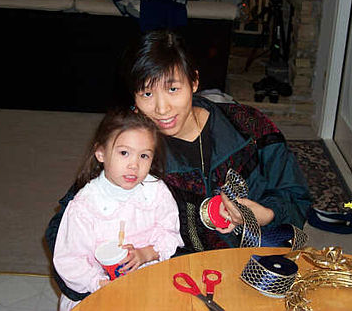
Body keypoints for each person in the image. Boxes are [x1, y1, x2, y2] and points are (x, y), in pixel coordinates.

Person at [45, 30, 311, 300]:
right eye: (147, 93)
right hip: (171, 277)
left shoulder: (250, 129)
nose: (162, 108)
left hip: (252, 270)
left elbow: (296, 197)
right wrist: (99, 282)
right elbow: (62, 228)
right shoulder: (133, 150)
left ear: (194, 81)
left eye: (173, 89)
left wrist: (265, 215)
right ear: (133, 100)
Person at [52, 108, 184, 310]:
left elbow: (170, 232)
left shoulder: (156, 191)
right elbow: (70, 261)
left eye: (144, 156)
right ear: (101, 153)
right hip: (99, 290)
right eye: (124, 153)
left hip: (147, 283)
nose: (134, 165)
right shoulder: (85, 206)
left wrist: (145, 254)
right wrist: (99, 283)